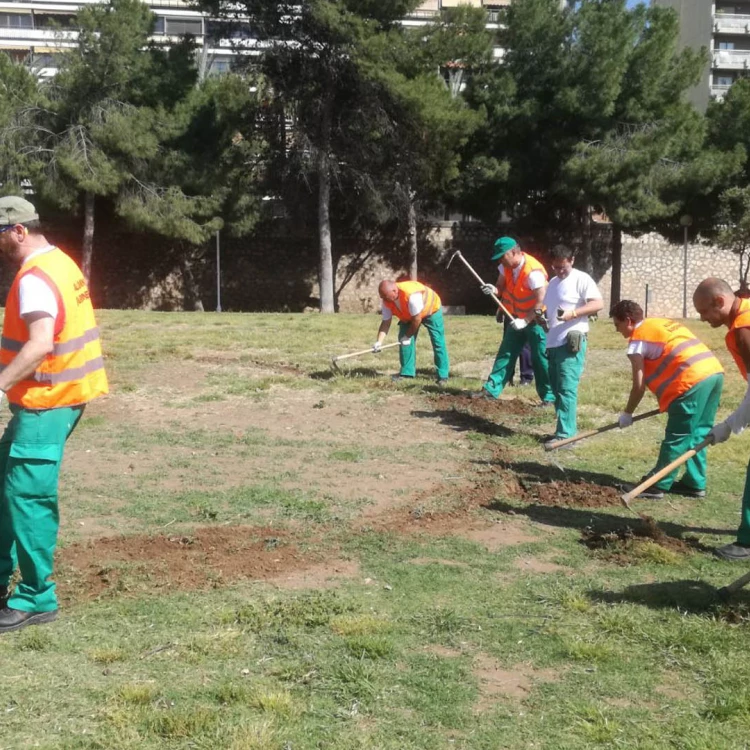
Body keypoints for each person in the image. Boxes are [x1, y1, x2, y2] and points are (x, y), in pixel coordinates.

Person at [0, 197, 108, 633]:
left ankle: (36, 598)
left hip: (48, 401)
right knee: (6, 485)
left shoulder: (35, 279)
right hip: (55, 398)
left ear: (19, 231)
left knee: (27, 498)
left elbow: (42, 342)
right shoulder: (60, 262)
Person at [610, 300, 723, 500]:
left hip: (690, 382)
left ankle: (656, 485)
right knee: (699, 432)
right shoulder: (660, 323)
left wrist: (628, 413)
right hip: (713, 373)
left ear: (628, 320)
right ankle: (694, 483)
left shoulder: (637, 340)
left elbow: (638, 385)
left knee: (677, 436)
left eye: (617, 325)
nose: (617, 330)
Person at [693, 277, 750, 560]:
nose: (702, 319)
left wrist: (730, 425)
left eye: (704, 312)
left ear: (720, 301)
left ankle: (747, 544)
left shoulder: (744, 330)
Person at [475, 237, 555, 405]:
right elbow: (501, 287)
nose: (500, 261)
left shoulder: (533, 272)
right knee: (506, 353)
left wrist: (526, 321)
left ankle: (549, 398)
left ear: (514, 252)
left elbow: (542, 300)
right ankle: (491, 389)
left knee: (540, 359)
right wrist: (494, 290)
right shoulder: (506, 267)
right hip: (515, 317)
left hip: (536, 320)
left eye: (502, 256)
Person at [542, 245, 603, 448]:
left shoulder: (581, 279)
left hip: (570, 343)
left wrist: (573, 314)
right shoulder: (552, 282)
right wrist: (542, 318)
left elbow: (597, 304)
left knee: (567, 388)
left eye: (563, 267)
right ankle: (563, 430)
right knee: (557, 388)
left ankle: (567, 436)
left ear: (572, 260)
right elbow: (549, 309)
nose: (560, 271)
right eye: (556, 267)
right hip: (553, 342)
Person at [374, 279, 449, 385]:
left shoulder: (412, 295)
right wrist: (379, 342)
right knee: (403, 340)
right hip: (409, 315)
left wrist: (408, 336)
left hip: (431, 310)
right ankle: (407, 373)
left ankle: (443, 376)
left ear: (395, 291)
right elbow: (386, 322)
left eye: (386, 296)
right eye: (382, 297)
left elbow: (417, 319)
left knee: (437, 341)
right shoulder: (386, 301)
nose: (384, 299)